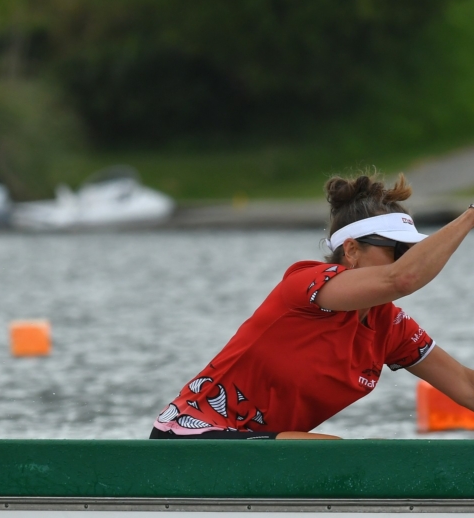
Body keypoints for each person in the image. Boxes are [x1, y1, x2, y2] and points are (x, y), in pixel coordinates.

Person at [151, 173, 474, 439]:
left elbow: (466, 386)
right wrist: (470, 214)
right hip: (188, 438)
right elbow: (402, 279)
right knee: (338, 453)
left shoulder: (389, 327)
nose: (410, 258)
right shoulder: (307, 285)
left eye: (412, 250)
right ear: (351, 250)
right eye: (397, 249)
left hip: (259, 451)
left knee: (360, 452)